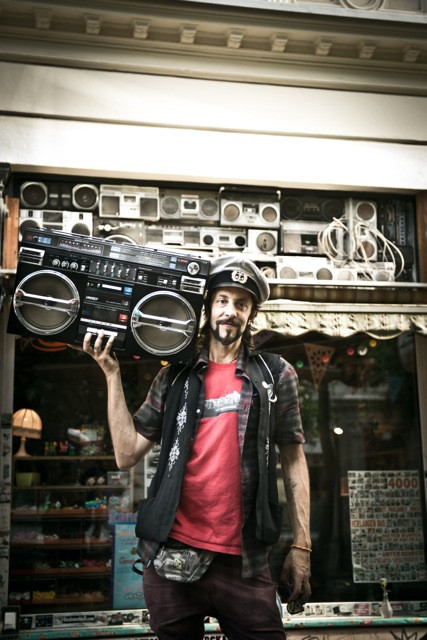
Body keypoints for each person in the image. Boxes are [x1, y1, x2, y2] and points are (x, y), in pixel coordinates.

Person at [80, 254, 311, 640]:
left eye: (242, 303)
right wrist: (111, 373)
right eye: (222, 300)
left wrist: (302, 545)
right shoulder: (174, 376)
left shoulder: (275, 375)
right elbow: (126, 453)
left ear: (251, 315)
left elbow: (293, 459)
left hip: (245, 561)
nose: (230, 311)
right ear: (207, 308)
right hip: (170, 556)